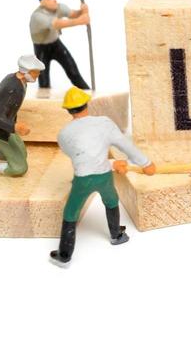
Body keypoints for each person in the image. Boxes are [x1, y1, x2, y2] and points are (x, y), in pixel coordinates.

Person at [49, 87, 156, 267]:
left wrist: (112, 164)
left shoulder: (64, 133)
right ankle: (116, 235)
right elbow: (125, 145)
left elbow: (78, 156)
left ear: (68, 110)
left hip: (82, 179)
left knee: (70, 212)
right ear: (86, 105)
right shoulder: (104, 123)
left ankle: (64, 254)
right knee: (111, 200)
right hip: (104, 176)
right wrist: (145, 163)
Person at [29, 0, 91, 89]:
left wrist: (82, 11)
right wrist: (80, 21)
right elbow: (57, 24)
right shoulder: (38, 16)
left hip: (56, 44)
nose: (54, 0)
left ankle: (86, 92)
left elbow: (73, 14)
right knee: (43, 80)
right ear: (42, 2)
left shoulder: (58, 7)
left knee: (72, 70)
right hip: (41, 49)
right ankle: (45, 101)